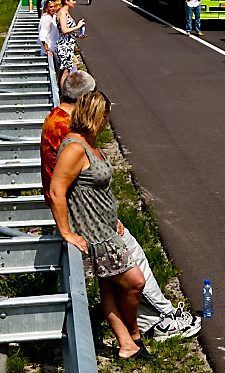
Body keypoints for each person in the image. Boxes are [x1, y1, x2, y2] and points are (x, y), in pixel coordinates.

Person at [40, 73, 200, 341]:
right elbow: (63, 188)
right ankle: (159, 321)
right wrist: (67, 231)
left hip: (98, 219)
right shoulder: (70, 134)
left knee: (113, 285)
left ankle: (133, 336)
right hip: (92, 224)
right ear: (86, 104)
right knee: (136, 273)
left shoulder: (61, 123)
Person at [48, 91, 150, 360]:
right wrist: (66, 232)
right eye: (104, 115)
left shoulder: (89, 143)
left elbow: (96, 190)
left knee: (108, 287)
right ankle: (134, 332)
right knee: (134, 282)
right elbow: (57, 190)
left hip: (104, 226)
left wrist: (112, 217)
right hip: (92, 232)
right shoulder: (75, 148)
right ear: (95, 116)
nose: (107, 121)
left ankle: (128, 344)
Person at [56, 0, 86, 87]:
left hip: (68, 44)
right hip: (64, 46)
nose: (75, 2)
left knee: (65, 70)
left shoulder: (66, 12)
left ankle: (61, 91)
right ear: (66, 1)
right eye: (73, 0)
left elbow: (67, 31)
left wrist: (77, 36)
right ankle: (63, 94)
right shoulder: (62, 13)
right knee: (65, 71)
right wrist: (78, 26)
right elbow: (64, 30)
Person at [38, 0, 61, 68]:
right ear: (46, 8)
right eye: (51, 7)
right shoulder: (47, 19)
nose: (53, 8)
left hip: (54, 47)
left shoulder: (53, 16)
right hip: (50, 49)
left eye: (54, 7)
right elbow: (42, 35)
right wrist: (47, 49)